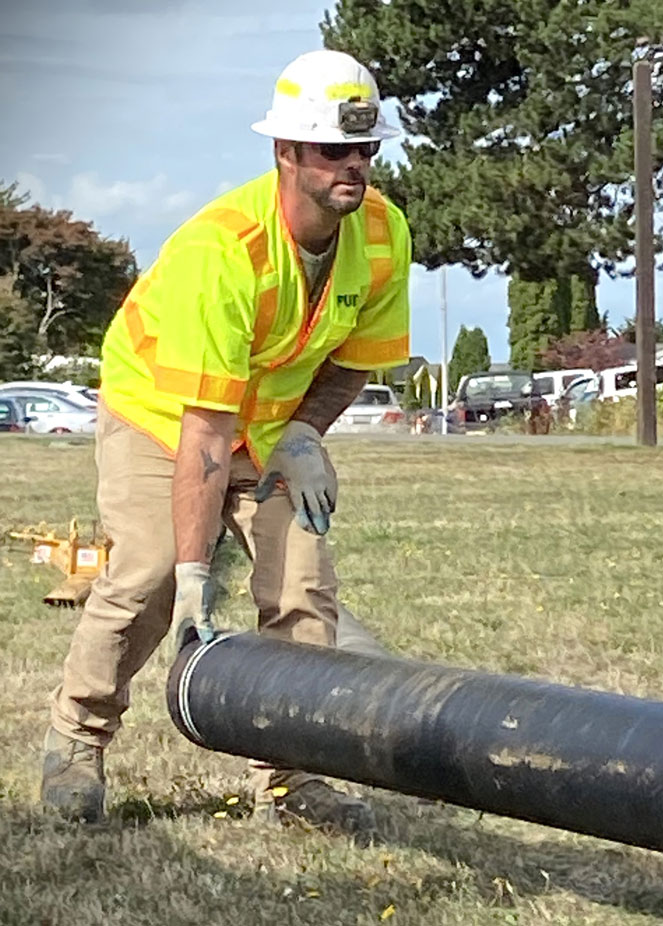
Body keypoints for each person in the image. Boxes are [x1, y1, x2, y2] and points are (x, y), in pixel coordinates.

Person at [40, 49, 411, 839]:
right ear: (286, 152)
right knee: (145, 575)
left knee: (304, 587)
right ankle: (77, 741)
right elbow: (204, 435)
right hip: (161, 412)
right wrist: (196, 575)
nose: (355, 165)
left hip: (268, 425)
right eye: (334, 150)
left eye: (366, 149)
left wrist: (305, 434)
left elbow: (356, 359)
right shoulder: (227, 250)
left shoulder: (381, 234)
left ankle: (293, 776)